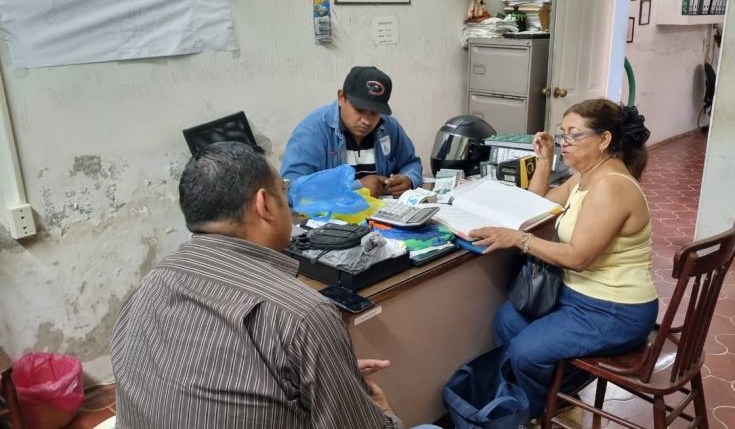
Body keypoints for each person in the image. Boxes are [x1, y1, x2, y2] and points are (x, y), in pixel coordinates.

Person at [111, 142, 406, 428]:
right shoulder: (303, 314)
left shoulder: (150, 282)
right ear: (264, 204)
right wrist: (386, 413)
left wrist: (325, 370)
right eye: (283, 191)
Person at [469, 99, 659, 418]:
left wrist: (519, 239)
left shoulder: (611, 185)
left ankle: (545, 409)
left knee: (525, 351)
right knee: (507, 319)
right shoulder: (585, 176)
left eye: (573, 135)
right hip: (580, 297)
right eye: (562, 135)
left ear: (604, 140)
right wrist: (543, 162)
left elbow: (578, 257)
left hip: (614, 309)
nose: (564, 143)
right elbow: (535, 205)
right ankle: (553, 400)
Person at [280, 66, 423, 198]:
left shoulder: (389, 126)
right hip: (330, 221)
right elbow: (290, 188)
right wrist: (356, 187)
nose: (366, 121)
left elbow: (411, 163)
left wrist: (409, 179)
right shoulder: (313, 131)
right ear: (341, 98)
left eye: (374, 113)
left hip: (381, 217)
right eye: (359, 110)